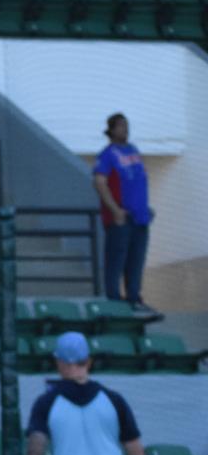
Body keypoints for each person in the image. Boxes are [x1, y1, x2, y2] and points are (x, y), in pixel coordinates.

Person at [92, 113, 154, 312]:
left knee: (136, 261)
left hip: (140, 217)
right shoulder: (107, 154)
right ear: (111, 130)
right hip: (121, 218)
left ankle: (134, 298)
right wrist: (115, 210)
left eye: (126, 125)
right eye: (120, 126)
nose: (125, 129)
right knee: (116, 261)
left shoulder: (133, 150)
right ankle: (114, 302)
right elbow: (99, 182)